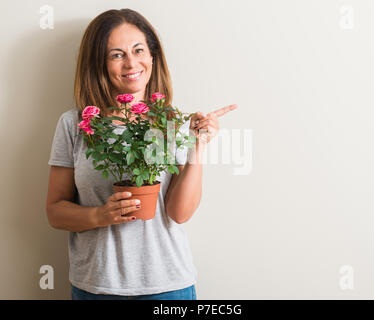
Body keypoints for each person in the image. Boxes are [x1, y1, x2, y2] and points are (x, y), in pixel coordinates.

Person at [46, 8, 237, 300]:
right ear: (99, 64)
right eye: (116, 54)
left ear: (152, 57)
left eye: (138, 50)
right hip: (96, 287)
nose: (131, 63)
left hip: (167, 287)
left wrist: (199, 145)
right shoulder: (74, 124)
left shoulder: (170, 122)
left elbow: (179, 213)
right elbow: (55, 211)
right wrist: (101, 215)